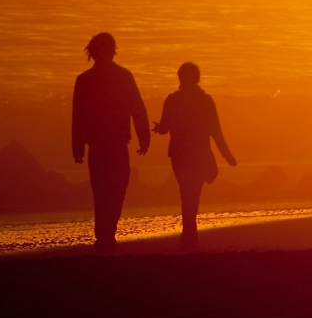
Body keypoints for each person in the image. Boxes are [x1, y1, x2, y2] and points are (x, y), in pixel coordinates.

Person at [72, 32, 150, 254]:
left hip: (97, 146)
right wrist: (144, 138)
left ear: (93, 52)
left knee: (101, 191)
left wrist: (78, 148)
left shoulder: (84, 80)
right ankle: (107, 233)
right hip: (115, 144)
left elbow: (77, 116)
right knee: (117, 188)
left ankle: (104, 235)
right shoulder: (123, 76)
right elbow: (138, 109)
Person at [153, 62, 237, 250]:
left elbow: (165, 127)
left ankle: (188, 235)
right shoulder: (206, 100)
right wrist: (226, 154)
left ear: (180, 78)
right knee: (193, 195)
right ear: (197, 78)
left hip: (179, 154)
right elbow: (216, 131)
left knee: (186, 193)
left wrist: (158, 128)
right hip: (199, 154)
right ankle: (189, 235)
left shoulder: (172, 100)